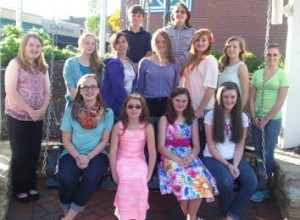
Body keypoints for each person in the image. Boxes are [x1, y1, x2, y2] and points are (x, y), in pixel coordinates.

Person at [157, 87, 218, 220]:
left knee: (201, 182)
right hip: (170, 156)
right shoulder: (165, 119)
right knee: (181, 181)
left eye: (184, 101)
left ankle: (191, 218)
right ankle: (193, 218)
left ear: (188, 102)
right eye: (178, 100)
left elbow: (196, 146)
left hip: (189, 156)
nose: (181, 104)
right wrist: (177, 160)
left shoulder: (192, 119)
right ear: (171, 101)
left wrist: (190, 157)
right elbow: (161, 147)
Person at [59, 74, 114, 220]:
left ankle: (68, 217)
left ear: (98, 90)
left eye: (93, 87)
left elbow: (104, 141)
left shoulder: (108, 113)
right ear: (80, 90)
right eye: (85, 87)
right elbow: (66, 139)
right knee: (67, 178)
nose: (89, 90)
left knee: (91, 177)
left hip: (96, 154)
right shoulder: (71, 111)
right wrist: (78, 157)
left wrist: (88, 157)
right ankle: (66, 212)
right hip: (72, 153)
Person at [4, 33, 50, 203]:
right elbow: (11, 90)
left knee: (33, 153)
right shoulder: (15, 64)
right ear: (24, 46)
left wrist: (42, 109)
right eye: (31, 45)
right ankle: (20, 188)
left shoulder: (42, 67)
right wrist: (30, 110)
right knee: (20, 153)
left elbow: (47, 92)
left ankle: (31, 185)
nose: (34, 49)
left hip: (37, 117)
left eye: (38, 46)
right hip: (18, 116)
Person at [202, 82, 258, 220]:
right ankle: (225, 214)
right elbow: (211, 147)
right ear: (220, 98)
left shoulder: (242, 117)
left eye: (232, 97)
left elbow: (240, 146)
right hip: (213, 158)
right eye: (225, 97)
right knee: (226, 183)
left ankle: (232, 215)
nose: (229, 100)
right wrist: (228, 166)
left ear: (237, 98)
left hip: (234, 158)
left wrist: (236, 165)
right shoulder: (211, 116)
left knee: (251, 182)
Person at [249, 43, 289, 202]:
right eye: (269, 54)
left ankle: (264, 187)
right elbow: (252, 96)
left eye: (275, 55)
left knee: (268, 153)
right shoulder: (258, 74)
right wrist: (253, 117)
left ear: (279, 57)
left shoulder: (282, 75)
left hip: (272, 120)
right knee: (258, 152)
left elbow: (281, 100)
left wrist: (267, 119)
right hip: (256, 119)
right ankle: (259, 182)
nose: (271, 57)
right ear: (265, 56)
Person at [109, 93, 156, 220]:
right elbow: (112, 151)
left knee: (140, 179)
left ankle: (138, 216)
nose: (134, 109)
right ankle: (124, 216)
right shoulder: (118, 127)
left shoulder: (147, 127)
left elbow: (152, 153)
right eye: (130, 106)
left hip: (139, 160)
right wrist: (113, 172)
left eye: (137, 107)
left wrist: (149, 172)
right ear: (125, 108)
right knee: (126, 179)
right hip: (123, 160)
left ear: (142, 109)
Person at [180, 29, 219, 157]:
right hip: (190, 109)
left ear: (209, 43)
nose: (200, 43)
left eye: (204, 40)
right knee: (191, 145)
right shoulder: (193, 60)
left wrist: (200, 110)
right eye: (197, 40)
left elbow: (211, 88)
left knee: (201, 147)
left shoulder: (210, 60)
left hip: (203, 111)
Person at [137, 29, 180, 117]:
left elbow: (175, 87)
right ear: (154, 44)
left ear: (168, 43)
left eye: (163, 42)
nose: (160, 45)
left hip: (168, 105)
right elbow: (140, 87)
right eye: (158, 42)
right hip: (148, 104)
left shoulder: (174, 63)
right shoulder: (145, 62)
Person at [63, 32, 103, 106]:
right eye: (87, 43)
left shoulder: (98, 64)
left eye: (93, 43)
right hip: (74, 105)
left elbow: (100, 88)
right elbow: (71, 87)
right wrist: (83, 107)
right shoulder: (70, 63)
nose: (90, 46)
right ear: (80, 45)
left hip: (94, 107)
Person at [102, 32, 137, 117]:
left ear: (127, 43)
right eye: (117, 43)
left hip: (127, 105)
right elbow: (118, 89)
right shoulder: (114, 63)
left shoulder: (130, 61)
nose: (121, 45)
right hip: (116, 107)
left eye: (123, 41)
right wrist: (129, 105)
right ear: (113, 46)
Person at [218, 36, 249, 110]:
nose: (231, 49)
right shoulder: (224, 67)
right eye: (229, 46)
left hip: (234, 108)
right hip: (221, 108)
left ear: (240, 49)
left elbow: (245, 93)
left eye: (235, 47)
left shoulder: (241, 67)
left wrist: (238, 112)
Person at [121, 4, 152, 69]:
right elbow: (118, 51)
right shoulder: (122, 34)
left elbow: (149, 53)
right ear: (128, 17)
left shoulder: (147, 35)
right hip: (124, 67)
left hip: (141, 68)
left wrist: (139, 64)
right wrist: (128, 65)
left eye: (139, 16)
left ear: (143, 18)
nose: (136, 18)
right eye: (133, 16)